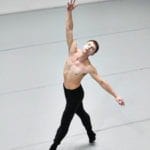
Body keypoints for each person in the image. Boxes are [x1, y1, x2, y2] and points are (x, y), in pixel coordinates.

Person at [49, 0, 125, 149]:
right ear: (84, 45)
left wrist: (116, 95)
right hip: (66, 89)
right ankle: (91, 133)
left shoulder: (88, 68)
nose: (89, 47)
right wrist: (69, 12)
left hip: (76, 94)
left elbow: (101, 82)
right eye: (89, 44)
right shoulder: (72, 48)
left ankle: (54, 145)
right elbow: (69, 29)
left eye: (92, 48)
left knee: (65, 121)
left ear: (93, 54)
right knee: (82, 113)